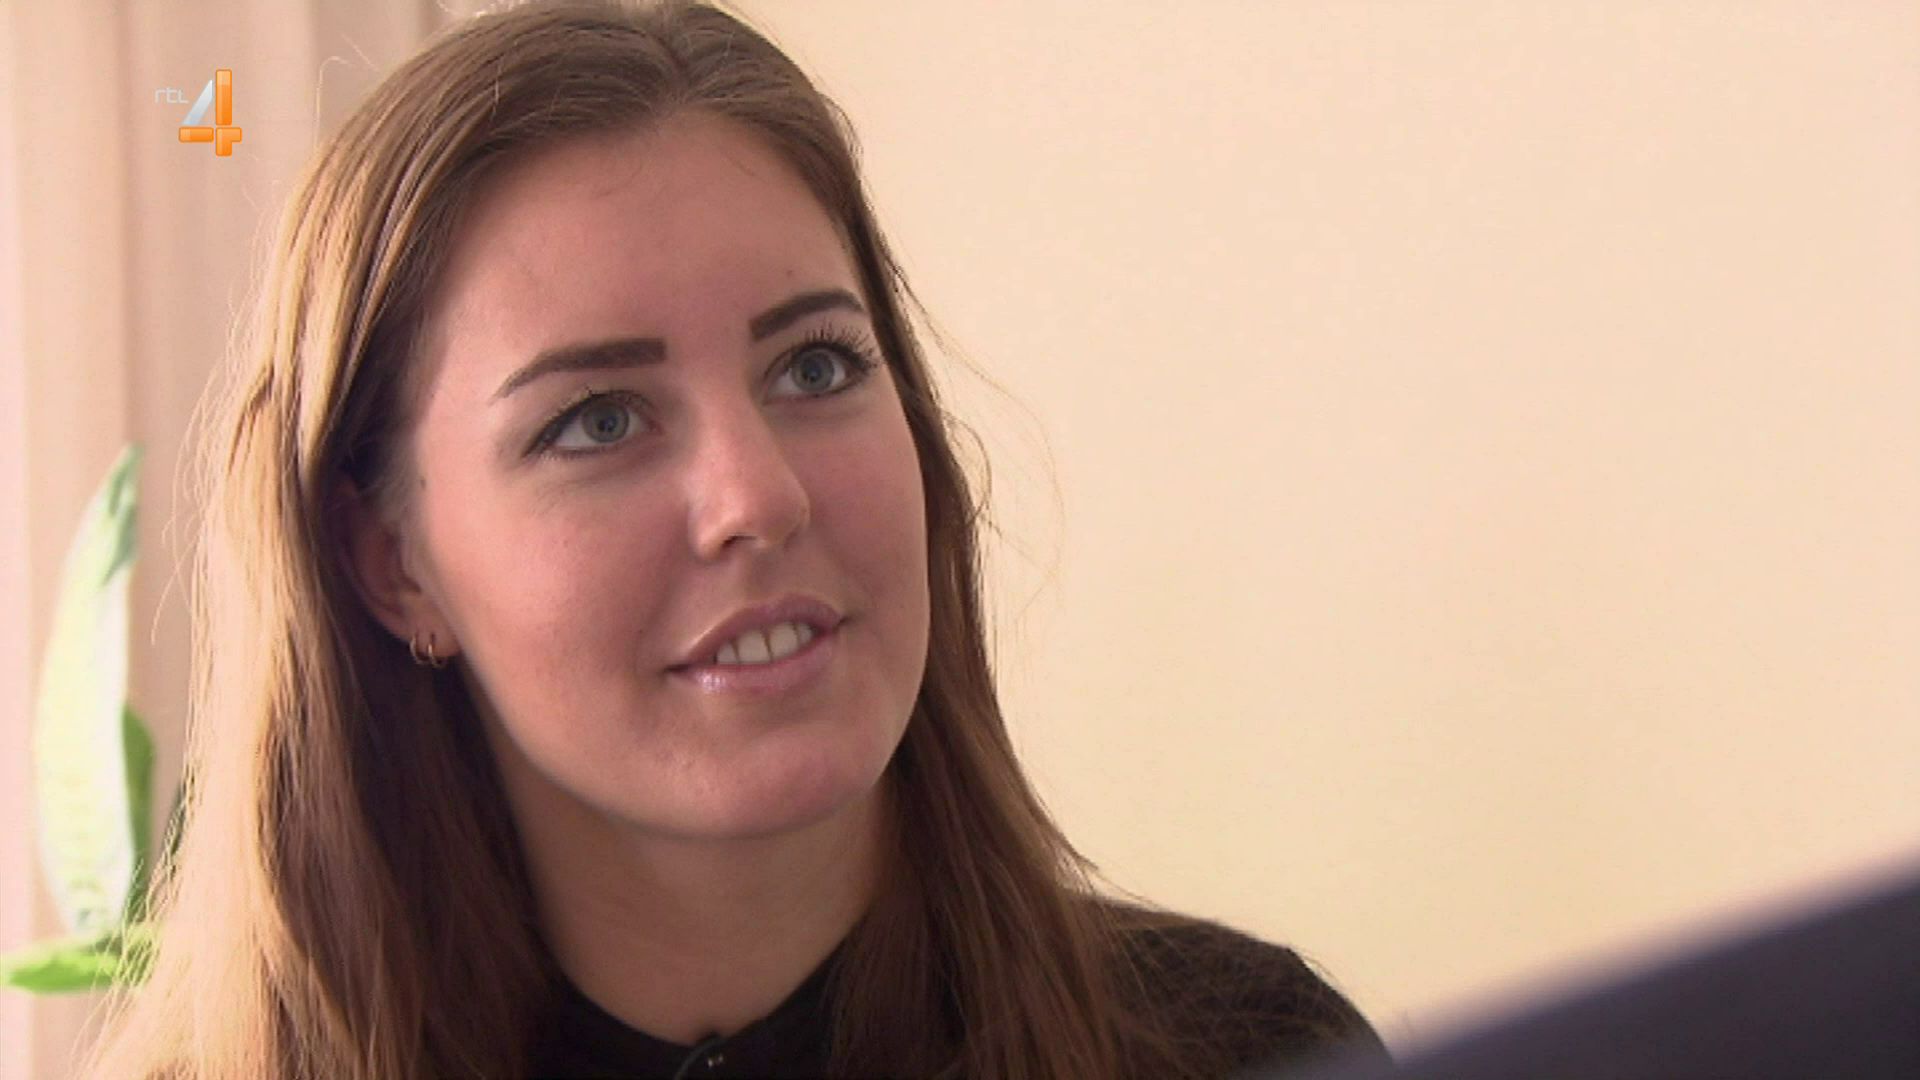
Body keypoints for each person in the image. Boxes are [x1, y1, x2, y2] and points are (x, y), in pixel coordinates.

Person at [87, 2, 1389, 1076]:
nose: (757, 497)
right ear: (392, 565)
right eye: (598, 420)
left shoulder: (1247, 1050)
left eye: (816, 367)